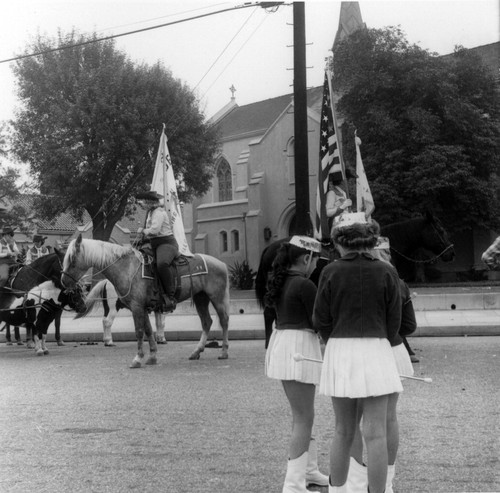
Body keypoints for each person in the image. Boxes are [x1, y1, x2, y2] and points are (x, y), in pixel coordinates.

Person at [313, 212, 403, 493]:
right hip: (376, 347)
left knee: (342, 430)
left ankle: (339, 491)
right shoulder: (387, 271)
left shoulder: (330, 271)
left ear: (340, 242)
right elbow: (395, 323)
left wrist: (336, 340)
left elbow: (320, 319)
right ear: (370, 239)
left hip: (340, 348)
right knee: (376, 433)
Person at [346, 236, 417, 493]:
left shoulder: (347, 276)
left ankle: (354, 483)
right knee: (387, 420)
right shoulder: (397, 281)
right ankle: (385, 483)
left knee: (352, 421)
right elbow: (408, 326)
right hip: (392, 349)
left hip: (357, 349)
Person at [264, 235, 328, 492]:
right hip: (299, 345)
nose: (316, 265)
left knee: (302, 416)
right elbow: (320, 322)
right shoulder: (304, 285)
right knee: (304, 417)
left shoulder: (283, 281)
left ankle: (308, 471)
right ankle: (293, 485)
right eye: (315, 260)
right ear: (305, 258)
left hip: (284, 345)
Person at [136, 191, 178, 312]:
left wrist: (143, 231)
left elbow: (155, 230)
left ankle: (171, 296)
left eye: (142, 201)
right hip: (154, 244)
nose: (141, 204)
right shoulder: (150, 213)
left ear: (150, 202)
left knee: (162, 264)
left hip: (166, 243)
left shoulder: (158, 213)